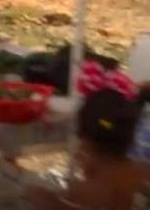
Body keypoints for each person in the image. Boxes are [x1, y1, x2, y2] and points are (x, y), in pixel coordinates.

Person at [28, 63, 149, 210]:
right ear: (130, 135)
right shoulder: (143, 173)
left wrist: (44, 198)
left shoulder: (80, 193)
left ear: (84, 140)